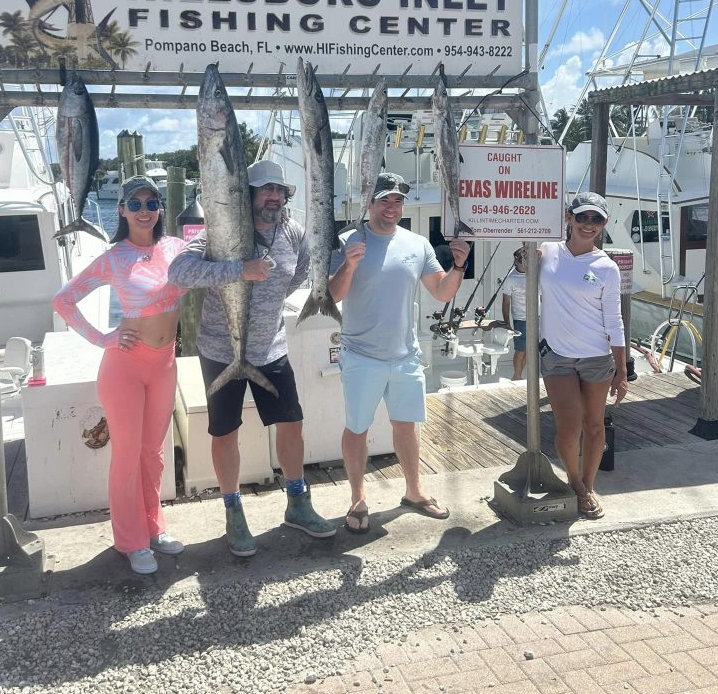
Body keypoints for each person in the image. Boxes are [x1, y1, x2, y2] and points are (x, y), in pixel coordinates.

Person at [168, 159, 335, 557]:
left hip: (270, 349)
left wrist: (269, 301)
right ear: (248, 196)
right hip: (220, 350)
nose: (274, 196)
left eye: (279, 189)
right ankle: (233, 510)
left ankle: (297, 501)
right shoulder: (220, 234)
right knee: (224, 432)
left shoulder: (292, 232)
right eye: (266, 189)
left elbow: (300, 273)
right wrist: (239, 270)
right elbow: (179, 272)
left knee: (292, 424)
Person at [53, 177, 187, 575]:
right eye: (136, 202)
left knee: (154, 453)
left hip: (164, 364)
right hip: (125, 368)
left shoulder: (177, 248)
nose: (145, 209)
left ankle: (153, 526)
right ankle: (130, 541)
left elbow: (214, 266)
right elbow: (64, 300)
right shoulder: (115, 257)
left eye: (152, 202)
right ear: (123, 210)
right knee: (126, 456)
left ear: (160, 209)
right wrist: (102, 338)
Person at [329, 172, 471, 533]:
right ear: (370, 203)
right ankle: (358, 498)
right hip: (360, 354)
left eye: (397, 201)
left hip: (406, 355)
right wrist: (348, 264)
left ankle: (414, 491)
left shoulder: (417, 243)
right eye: (384, 200)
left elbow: (441, 292)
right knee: (357, 427)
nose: (391, 207)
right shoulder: (347, 240)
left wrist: (458, 266)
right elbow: (332, 296)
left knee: (406, 425)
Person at [538, 192, 627, 520]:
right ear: (568, 218)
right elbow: (520, 278)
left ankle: (589, 485)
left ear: (602, 225)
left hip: (596, 358)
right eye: (583, 217)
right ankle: (576, 484)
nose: (588, 225)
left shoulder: (607, 267)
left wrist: (622, 369)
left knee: (594, 424)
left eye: (596, 219)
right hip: (557, 355)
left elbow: (614, 320)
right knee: (568, 427)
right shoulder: (546, 251)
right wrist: (522, 263)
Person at [500, 248, 528, 380]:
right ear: (516, 261)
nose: (525, 262)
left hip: (538, 317)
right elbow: (506, 302)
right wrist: (507, 323)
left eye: (527, 259)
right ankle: (516, 376)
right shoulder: (511, 279)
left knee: (530, 350)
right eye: (522, 259)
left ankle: (520, 375)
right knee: (521, 350)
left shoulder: (535, 272)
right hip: (521, 319)